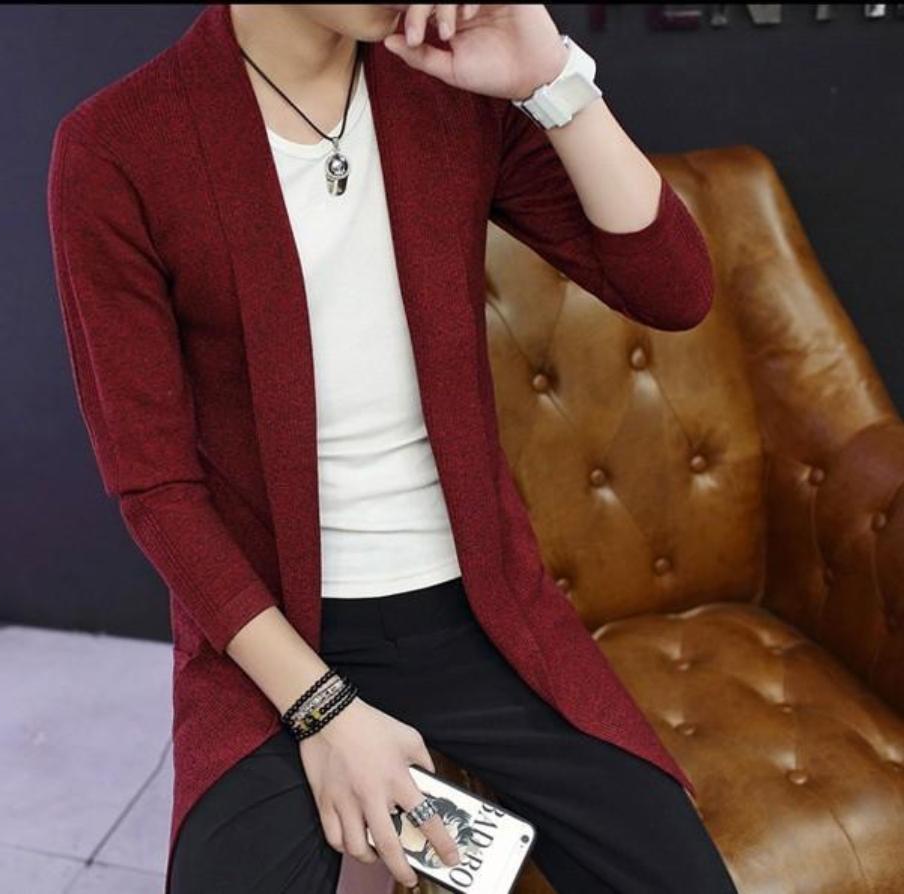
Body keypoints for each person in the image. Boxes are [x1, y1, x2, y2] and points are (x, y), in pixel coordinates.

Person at [47, 4, 739, 893]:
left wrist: (550, 79)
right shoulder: (117, 147)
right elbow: (155, 489)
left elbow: (675, 290)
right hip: (273, 633)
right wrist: (323, 709)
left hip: (482, 614)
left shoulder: (444, 91)